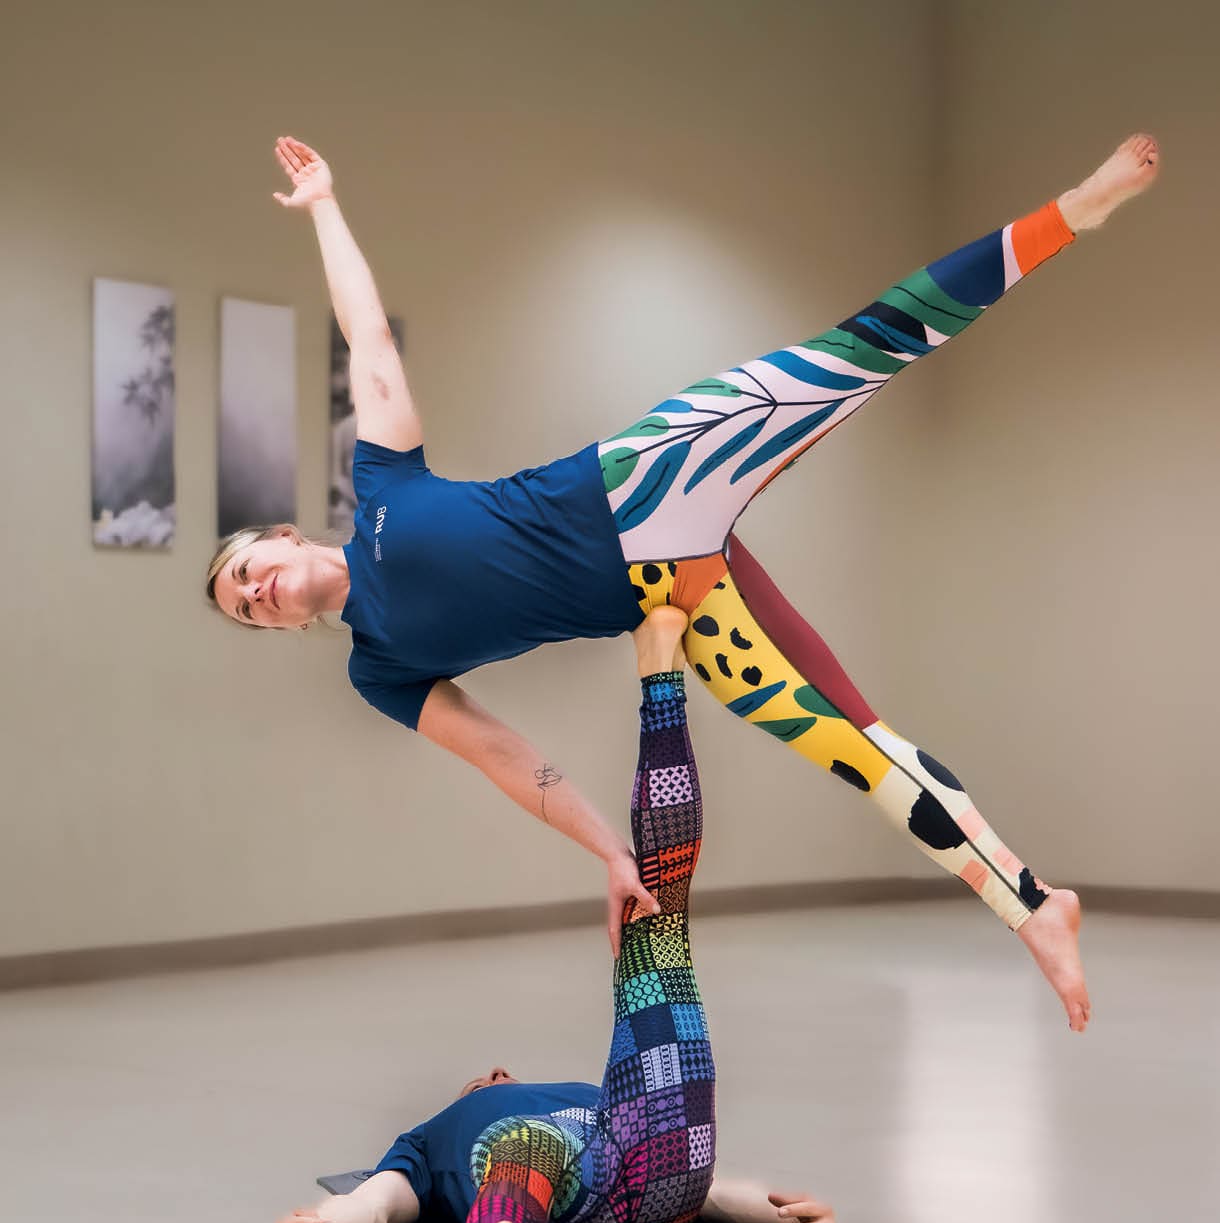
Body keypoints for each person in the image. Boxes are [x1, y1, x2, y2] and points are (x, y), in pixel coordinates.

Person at [210, 132, 1162, 1028]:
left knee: (862, 349)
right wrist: (610, 851)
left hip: (643, 470)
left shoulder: (380, 481)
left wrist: (326, 206)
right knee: (854, 745)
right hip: (673, 592)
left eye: (249, 571)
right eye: (248, 611)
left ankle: (1073, 212)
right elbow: (505, 757)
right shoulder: (379, 668)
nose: (257, 594)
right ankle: (1033, 907)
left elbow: (366, 337)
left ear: (285, 539)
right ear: (281, 630)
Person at [272, 609, 834, 1223]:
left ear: (500, 1073)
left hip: (657, 1182)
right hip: (561, 1198)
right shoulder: (422, 1144)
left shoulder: (588, 1094)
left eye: (487, 1077)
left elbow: (712, 1199)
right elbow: (375, 1208)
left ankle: (661, 672)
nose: (481, 1079)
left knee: (660, 910)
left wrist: (783, 1215)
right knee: (527, 1145)